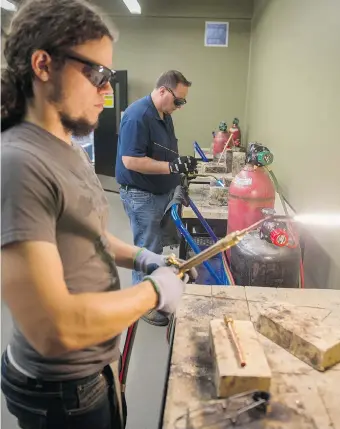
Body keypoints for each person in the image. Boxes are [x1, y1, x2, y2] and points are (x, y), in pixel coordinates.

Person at [0, 1, 196, 428]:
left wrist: (144, 259)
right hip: (61, 392)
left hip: (94, 372)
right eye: (97, 74)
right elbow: (56, 329)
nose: (107, 91)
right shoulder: (19, 163)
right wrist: (153, 293)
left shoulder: (65, 150)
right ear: (43, 65)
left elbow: (84, 235)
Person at [116, 71, 198, 327]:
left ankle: (154, 291)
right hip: (142, 196)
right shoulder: (137, 116)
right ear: (163, 90)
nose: (180, 107)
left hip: (160, 193)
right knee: (146, 249)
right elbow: (130, 160)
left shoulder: (164, 113)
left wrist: (180, 164)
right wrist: (171, 169)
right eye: (178, 101)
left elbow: (162, 152)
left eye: (183, 102)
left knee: (157, 248)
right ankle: (142, 304)